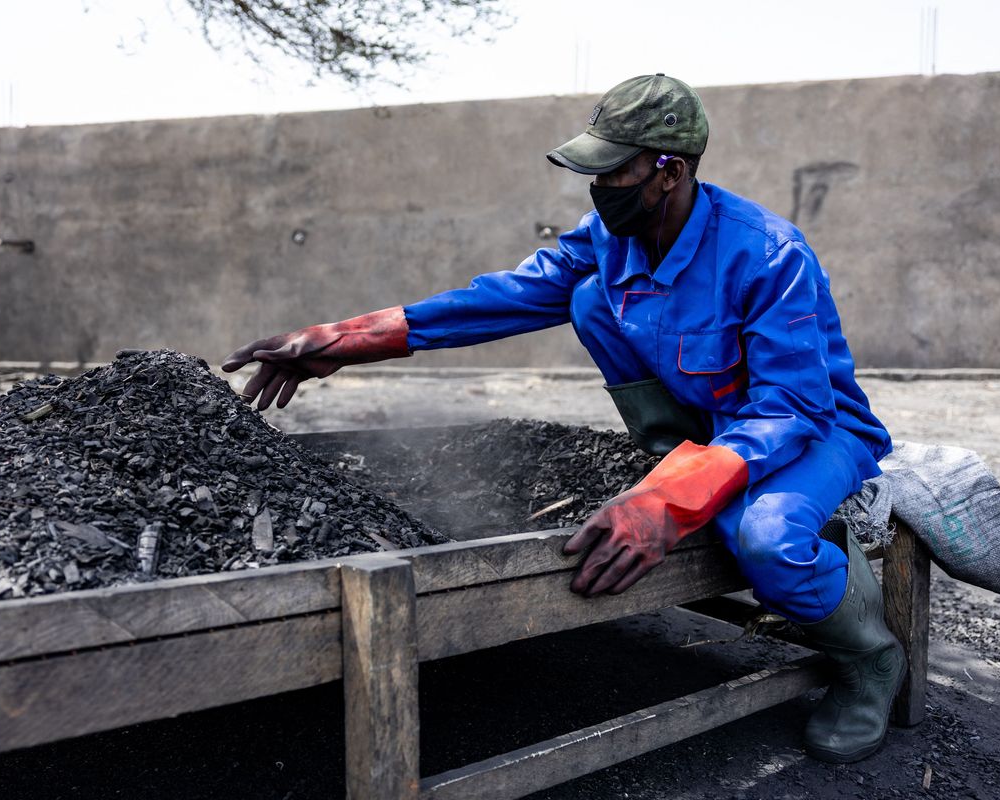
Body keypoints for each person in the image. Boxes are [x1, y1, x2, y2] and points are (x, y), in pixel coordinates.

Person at [222, 73, 905, 764]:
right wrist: (341, 340)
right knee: (586, 299)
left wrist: (667, 501)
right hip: (712, 431)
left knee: (763, 539)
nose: (598, 187)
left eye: (614, 171)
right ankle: (677, 458)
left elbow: (790, 407)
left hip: (810, 431)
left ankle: (870, 658)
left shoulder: (767, 254)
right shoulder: (610, 240)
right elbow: (502, 298)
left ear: (668, 171)